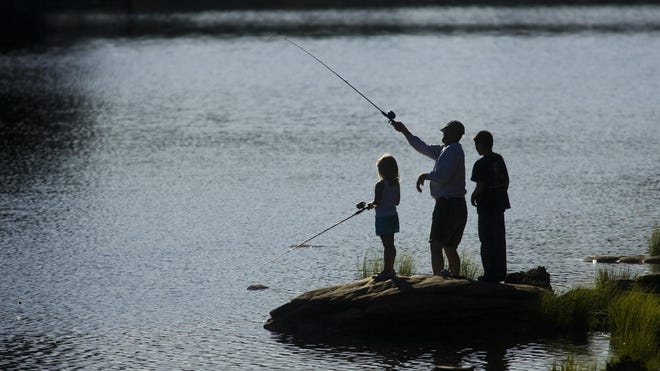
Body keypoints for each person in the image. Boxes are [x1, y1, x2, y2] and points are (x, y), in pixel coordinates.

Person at [390, 120, 467, 277]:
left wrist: (425, 175)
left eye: (445, 131)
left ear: (454, 134)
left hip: (448, 204)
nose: (442, 133)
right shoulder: (446, 150)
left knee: (436, 244)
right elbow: (422, 148)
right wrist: (404, 130)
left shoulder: (452, 150)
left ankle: (438, 280)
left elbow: (444, 176)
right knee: (450, 246)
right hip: (456, 204)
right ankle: (455, 278)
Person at [470, 130, 510, 283]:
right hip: (500, 204)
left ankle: (489, 274)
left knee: (486, 240)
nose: (475, 147)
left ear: (481, 144)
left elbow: (480, 186)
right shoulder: (499, 159)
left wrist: (473, 196)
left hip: (486, 206)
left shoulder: (480, 164)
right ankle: (500, 273)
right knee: (499, 239)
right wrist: (500, 194)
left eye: (476, 144)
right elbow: (506, 181)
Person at [358, 154, 401, 282]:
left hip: (383, 218)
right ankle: (390, 269)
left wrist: (369, 205)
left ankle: (387, 271)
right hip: (393, 216)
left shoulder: (380, 185)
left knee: (387, 245)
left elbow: (377, 202)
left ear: (381, 170)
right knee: (391, 245)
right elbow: (397, 201)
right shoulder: (396, 183)